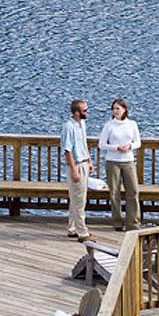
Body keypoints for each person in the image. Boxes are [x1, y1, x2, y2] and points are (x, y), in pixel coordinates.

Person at [98, 98, 141, 231]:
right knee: (114, 193)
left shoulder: (132, 124)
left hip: (128, 161)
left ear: (124, 110)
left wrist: (129, 146)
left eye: (118, 108)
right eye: (114, 109)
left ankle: (133, 223)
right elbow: (101, 145)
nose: (115, 111)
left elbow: (138, 142)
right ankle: (117, 222)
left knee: (133, 191)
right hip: (112, 162)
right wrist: (116, 148)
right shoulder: (109, 125)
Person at [61, 99, 94, 242]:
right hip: (76, 165)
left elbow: (84, 143)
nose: (87, 112)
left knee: (77, 197)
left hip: (84, 162)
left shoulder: (82, 124)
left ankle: (72, 228)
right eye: (84, 110)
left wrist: (90, 160)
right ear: (76, 113)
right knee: (79, 200)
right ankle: (82, 232)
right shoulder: (69, 127)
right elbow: (67, 150)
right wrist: (74, 170)